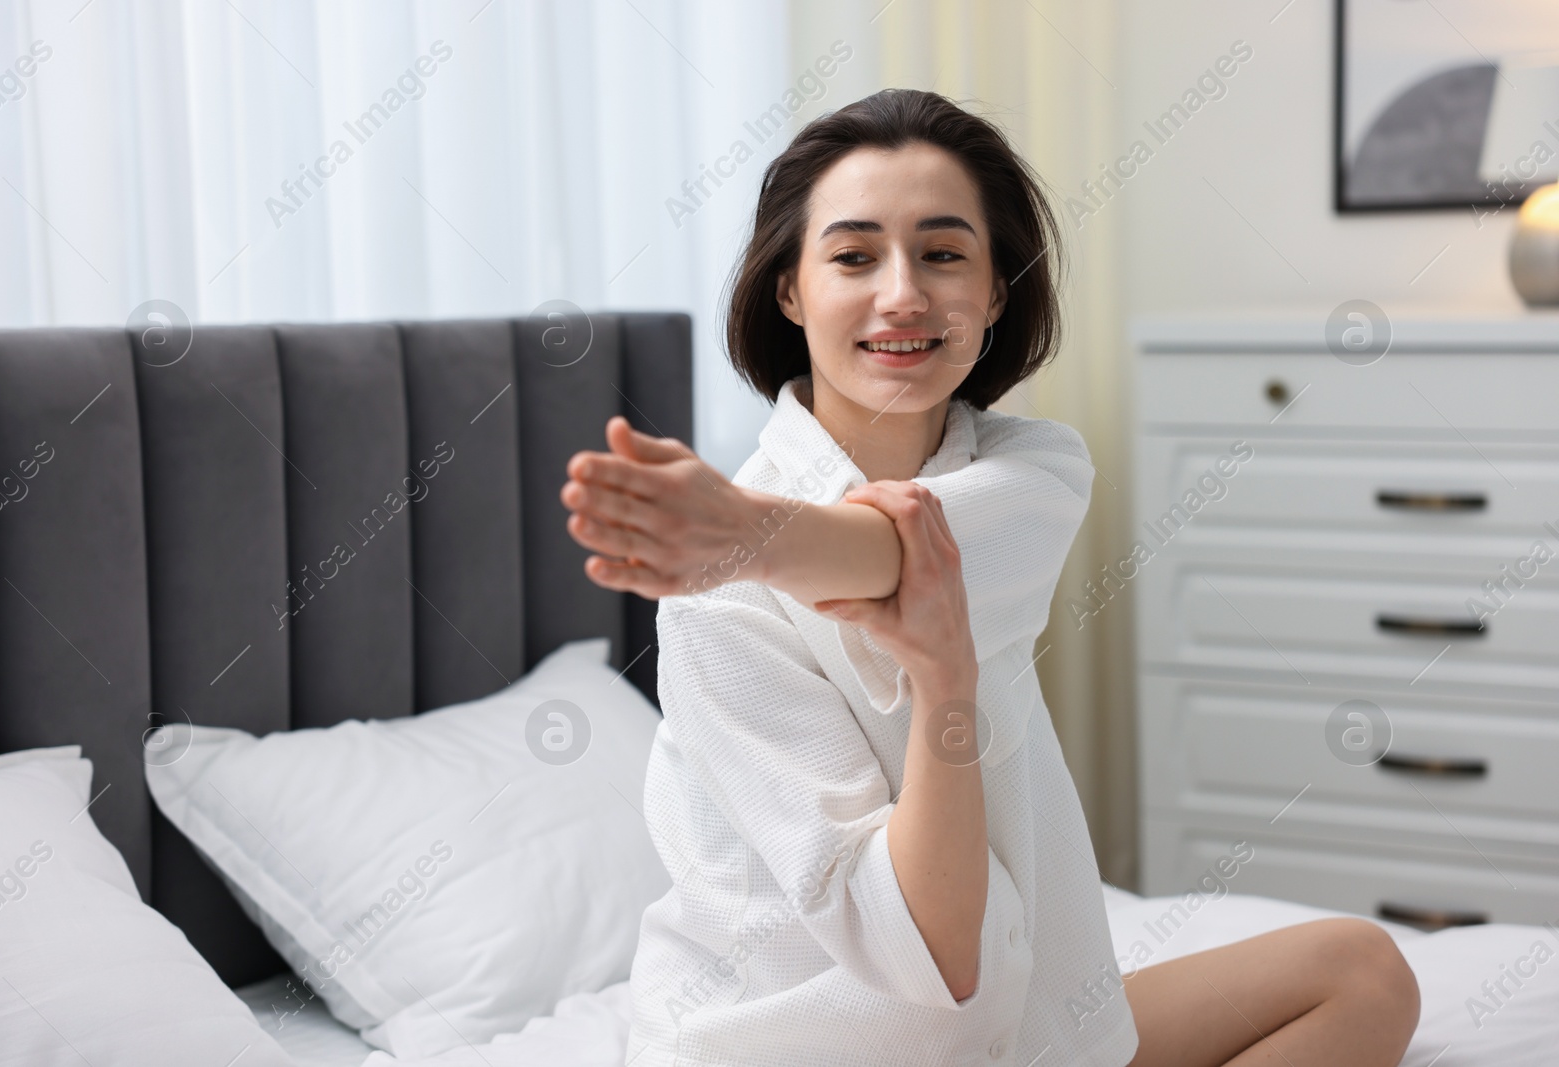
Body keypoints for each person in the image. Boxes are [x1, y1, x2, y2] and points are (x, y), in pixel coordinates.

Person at [561, 88, 1419, 1067]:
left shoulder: (1032, 470)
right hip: (810, 1034)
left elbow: (906, 550)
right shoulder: (715, 594)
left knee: (1361, 969)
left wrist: (753, 531)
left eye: (942, 252)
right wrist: (943, 685)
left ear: (997, 291)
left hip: (1012, 1018)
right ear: (790, 291)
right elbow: (929, 952)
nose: (901, 294)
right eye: (852, 256)